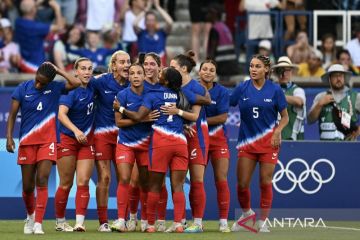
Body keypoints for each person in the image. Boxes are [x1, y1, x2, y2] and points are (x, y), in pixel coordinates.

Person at [116, 67, 199, 233]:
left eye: (162, 74)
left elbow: (139, 117)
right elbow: (203, 100)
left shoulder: (152, 95)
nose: (158, 74)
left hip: (161, 143)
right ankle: (177, 224)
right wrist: (181, 116)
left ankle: (151, 225)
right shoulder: (181, 94)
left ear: (166, 81)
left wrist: (121, 109)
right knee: (178, 186)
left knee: (154, 186)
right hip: (180, 143)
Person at [6, 62, 81, 234]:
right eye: (38, 80)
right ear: (36, 74)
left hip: (48, 141)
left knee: (42, 179)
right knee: (27, 186)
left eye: (43, 82)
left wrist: (58, 70)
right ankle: (30, 217)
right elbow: (11, 116)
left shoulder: (55, 88)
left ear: (49, 81)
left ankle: (39, 223)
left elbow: (76, 83)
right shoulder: (22, 88)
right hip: (27, 141)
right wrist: (9, 137)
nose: (39, 84)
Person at [230, 55, 289, 233]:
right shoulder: (242, 88)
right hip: (247, 142)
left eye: (257, 66)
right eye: (251, 66)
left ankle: (263, 220)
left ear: (266, 70)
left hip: (269, 143)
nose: (253, 69)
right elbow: (228, 102)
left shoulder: (275, 90)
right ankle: (247, 214)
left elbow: (285, 117)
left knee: (265, 181)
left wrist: (278, 131)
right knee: (242, 185)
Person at [110, 63, 159, 232]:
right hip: (126, 143)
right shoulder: (122, 95)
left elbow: (157, 118)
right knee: (124, 178)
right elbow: (119, 122)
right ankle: (121, 220)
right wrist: (143, 119)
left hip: (146, 144)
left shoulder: (152, 95)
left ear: (145, 76)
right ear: (128, 77)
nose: (136, 76)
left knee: (145, 184)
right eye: (132, 73)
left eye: (139, 73)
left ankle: (145, 220)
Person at [169, 51, 211, 233]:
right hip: (177, 137)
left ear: (183, 69)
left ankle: (198, 222)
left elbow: (194, 115)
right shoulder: (170, 87)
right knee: (176, 181)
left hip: (196, 137)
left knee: (197, 181)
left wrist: (179, 114)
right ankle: (180, 220)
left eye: (173, 67)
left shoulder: (198, 89)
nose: (169, 71)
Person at [54, 58, 95, 232]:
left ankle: (79, 222)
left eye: (89, 69)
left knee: (84, 181)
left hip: (85, 142)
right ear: (75, 72)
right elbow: (61, 115)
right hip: (68, 139)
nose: (87, 72)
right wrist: (77, 131)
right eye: (83, 69)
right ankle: (60, 221)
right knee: (65, 184)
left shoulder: (94, 86)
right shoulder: (70, 91)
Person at [91, 50, 130, 232]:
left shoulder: (134, 82)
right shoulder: (101, 81)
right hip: (102, 135)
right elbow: (81, 85)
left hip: (125, 136)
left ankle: (125, 219)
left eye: (128, 61)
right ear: (113, 65)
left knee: (125, 178)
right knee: (105, 178)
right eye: (122, 62)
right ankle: (103, 222)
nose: (127, 65)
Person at [199, 59, 231, 232]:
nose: (208, 72)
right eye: (205, 69)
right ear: (199, 71)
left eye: (212, 70)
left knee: (221, 180)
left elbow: (222, 118)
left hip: (218, 141)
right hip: (199, 140)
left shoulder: (222, 92)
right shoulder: (191, 89)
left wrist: (199, 121)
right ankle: (198, 221)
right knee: (198, 181)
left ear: (215, 73)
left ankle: (223, 221)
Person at [308, 64, 360, 141]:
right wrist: (319, 104)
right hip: (326, 148)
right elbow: (310, 120)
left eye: (341, 75)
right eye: (335, 76)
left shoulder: (356, 96)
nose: (338, 78)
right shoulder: (321, 96)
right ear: (329, 78)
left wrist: (358, 130)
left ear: (344, 78)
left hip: (348, 148)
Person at [14, 0, 64, 73]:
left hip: (24, 64)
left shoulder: (18, 22)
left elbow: (28, 10)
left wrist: (36, 4)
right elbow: (60, 27)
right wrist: (57, 9)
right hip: (36, 67)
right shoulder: (36, 27)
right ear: (33, 10)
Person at [272, 56, 306, 140]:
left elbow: (299, 102)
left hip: (294, 139)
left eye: (287, 70)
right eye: (281, 70)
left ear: (291, 72)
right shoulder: (270, 89)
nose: (284, 73)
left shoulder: (297, 90)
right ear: (276, 73)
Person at [134, 0, 173, 66]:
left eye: (152, 20)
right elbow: (134, 24)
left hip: (159, 65)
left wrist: (158, 7)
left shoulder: (161, 33)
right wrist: (147, 8)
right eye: (148, 20)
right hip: (144, 64)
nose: (150, 22)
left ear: (156, 22)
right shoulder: (141, 33)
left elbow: (170, 22)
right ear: (145, 22)